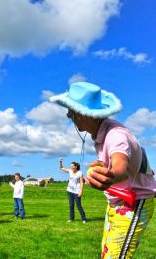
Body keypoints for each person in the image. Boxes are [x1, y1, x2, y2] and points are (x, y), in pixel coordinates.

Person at [50, 81, 156, 258]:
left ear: (86, 114)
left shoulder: (116, 135)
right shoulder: (103, 132)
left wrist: (111, 175)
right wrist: (104, 167)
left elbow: (120, 167)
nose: (68, 115)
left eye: (72, 110)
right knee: (107, 254)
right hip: (117, 203)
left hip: (133, 203)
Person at [59, 158, 87, 223]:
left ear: (76, 166)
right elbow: (61, 168)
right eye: (70, 166)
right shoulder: (70, 171)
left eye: (72, 166)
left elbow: (81, 183)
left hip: (77, 192)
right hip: (69, 191)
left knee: (78, 205)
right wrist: (60, 161)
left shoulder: (80, 173)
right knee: (71, 205)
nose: (71, 167)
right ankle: (71, 219)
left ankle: (84, 219)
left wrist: (81, 192)